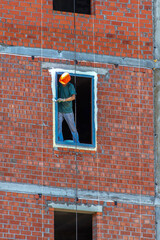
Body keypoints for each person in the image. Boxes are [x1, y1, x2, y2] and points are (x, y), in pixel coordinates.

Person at [57, 72, 79, 144]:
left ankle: (76, 143)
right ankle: (59, 142)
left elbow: (73, 97)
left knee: (72, 128)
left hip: (68, 111)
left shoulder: (70, 86)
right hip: (60, 110)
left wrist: (63, 100)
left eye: (64, 82)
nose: (63, 83)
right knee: (58, 128)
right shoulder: (59, 85)